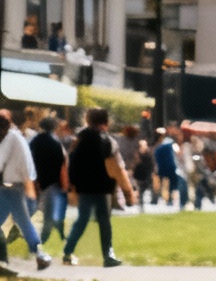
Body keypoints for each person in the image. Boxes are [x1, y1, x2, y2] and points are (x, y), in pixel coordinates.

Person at [61, 107, 133, 266]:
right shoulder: (108, 141)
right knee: (104, 222)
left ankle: (67, 252)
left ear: (87, 120)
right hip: (103, 187)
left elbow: (70, 164)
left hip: (84, 187)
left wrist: (72, 186)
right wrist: (128, 192)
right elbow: (117, 168)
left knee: (82, 220)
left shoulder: (78, 140)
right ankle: (108, 255)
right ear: (106, 123)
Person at [0, 114, 50, 271]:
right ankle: (39, 254)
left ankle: (39, 254)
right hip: (13, 186)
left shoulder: (10, 139)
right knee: (22, 221)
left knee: (23, 221)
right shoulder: (15, 136)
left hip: (11, 188)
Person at [29, 116, 66, 239]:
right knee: (49, 214)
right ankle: (44, 237)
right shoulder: (56, 143)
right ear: (54, 127)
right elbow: (61, 164)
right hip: (51, 182)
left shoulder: (35, 141)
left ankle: (17, 229)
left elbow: (29, 160)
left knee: (31, 209)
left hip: (36, 180)